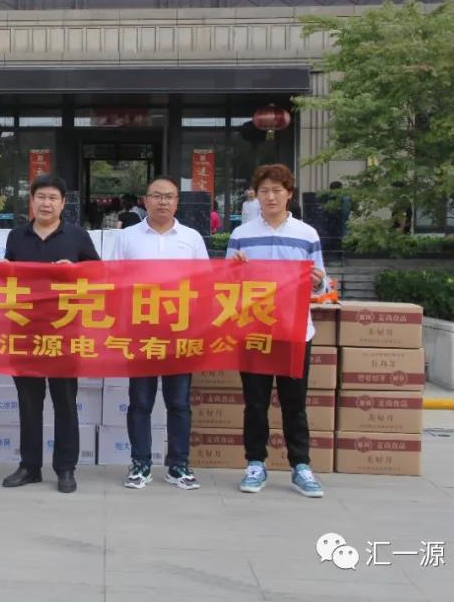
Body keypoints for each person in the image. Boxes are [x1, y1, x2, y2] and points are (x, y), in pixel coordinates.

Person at [227, 164, 329, 498]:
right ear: (255, 195)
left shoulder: (307, 234)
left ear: (289, 194)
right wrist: (234, 271)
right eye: (264, 191)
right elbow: (226, 285)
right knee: (255, 403)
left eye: (277, 191)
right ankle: (255, 463)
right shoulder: (241, 235)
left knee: (294, 402)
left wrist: (317, 282)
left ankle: (301, 466)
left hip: (294, 331)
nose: (270, 197)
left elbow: (322, 286)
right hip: (254, 331)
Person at [2, 174, 99, 494]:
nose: (46, 203)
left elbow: (99, 276)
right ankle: (29, 466)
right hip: (24, 331)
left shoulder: (78, 236)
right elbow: (4, 279)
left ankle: (65, 468)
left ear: (63, 203)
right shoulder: (16, 236)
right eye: (41, 197)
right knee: (29, 403)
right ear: (32, 200)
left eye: (52, 198)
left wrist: (76, 271)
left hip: (64, 331)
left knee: (65, 403)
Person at [112, 176, 208, 491]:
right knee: (140, 401)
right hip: (140, 332)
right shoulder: (127, 237)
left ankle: (178, 465)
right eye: (156, 196)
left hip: (180, 333)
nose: (163, 202)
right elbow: (114, 281)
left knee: (178, 402)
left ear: (177, 202)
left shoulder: (191, 238)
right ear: (145, 200)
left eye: (169, 196)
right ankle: (140, 463)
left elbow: (205, 283)